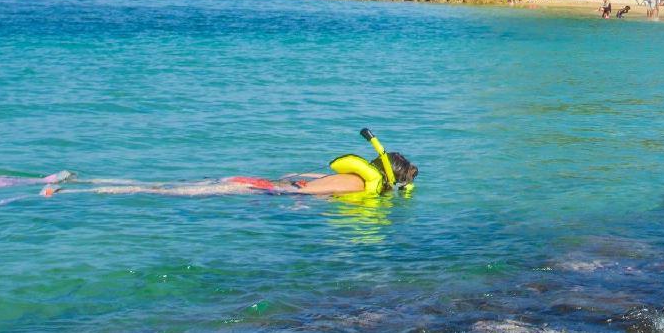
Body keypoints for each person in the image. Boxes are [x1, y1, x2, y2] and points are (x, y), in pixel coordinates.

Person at [42, 130, 418, 199]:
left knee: (166, 186)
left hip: (260, 181)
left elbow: (298, 176)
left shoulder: (355, 173)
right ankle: (67, 190)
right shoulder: (356, 184)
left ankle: (78, 180)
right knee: (162, 192)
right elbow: (306, 189)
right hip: (260, 189)